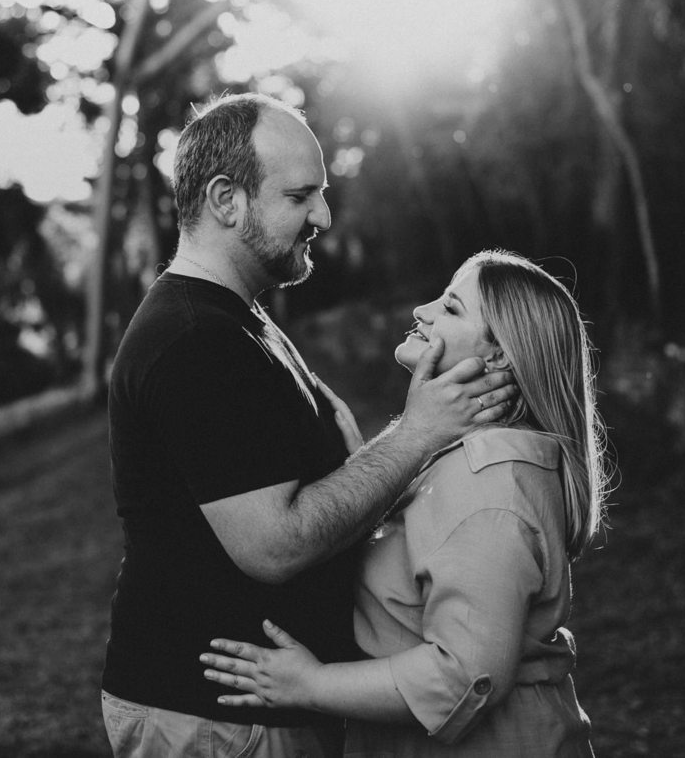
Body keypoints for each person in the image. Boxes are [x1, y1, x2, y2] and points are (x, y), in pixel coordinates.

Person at [100, 93, 517, 758]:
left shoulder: (240, 317)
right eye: (302, 196)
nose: (323, 215)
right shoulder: (194, 340)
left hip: (254, 713)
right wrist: (417, 432)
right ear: (226, 200)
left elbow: (337, 464)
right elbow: (275, 543)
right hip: (217, 719)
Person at [200, 250, 609, 757]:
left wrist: (309, 684)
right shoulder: (455, 456)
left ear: (501, 355)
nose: (422, 310)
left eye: (452, 308)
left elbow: (464, 675)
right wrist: (369, 469)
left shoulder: (492, 481)